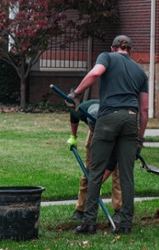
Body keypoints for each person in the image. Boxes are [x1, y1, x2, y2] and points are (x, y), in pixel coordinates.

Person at [67, 35, 148, 235]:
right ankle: (126, 224)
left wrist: (76, 93)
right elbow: (144, 109)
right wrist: (140, 137)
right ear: (130, 50)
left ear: (113, 49)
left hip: (108, 117)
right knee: (127, 176)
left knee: (95, 171)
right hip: (131, 119)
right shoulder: (140, 71)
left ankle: (89, 222)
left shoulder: (107, 57)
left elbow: (95, 73)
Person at [67, 100, 122, 222]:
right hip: (98, 124)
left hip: (113, 131)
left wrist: (99, 181)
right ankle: (81, 209)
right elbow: (73, 114)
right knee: (89, 170)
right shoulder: (81, 111)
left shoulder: (113, 121)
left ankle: (120, 210)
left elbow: (113, 159)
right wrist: (73, 137)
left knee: (119, 172)